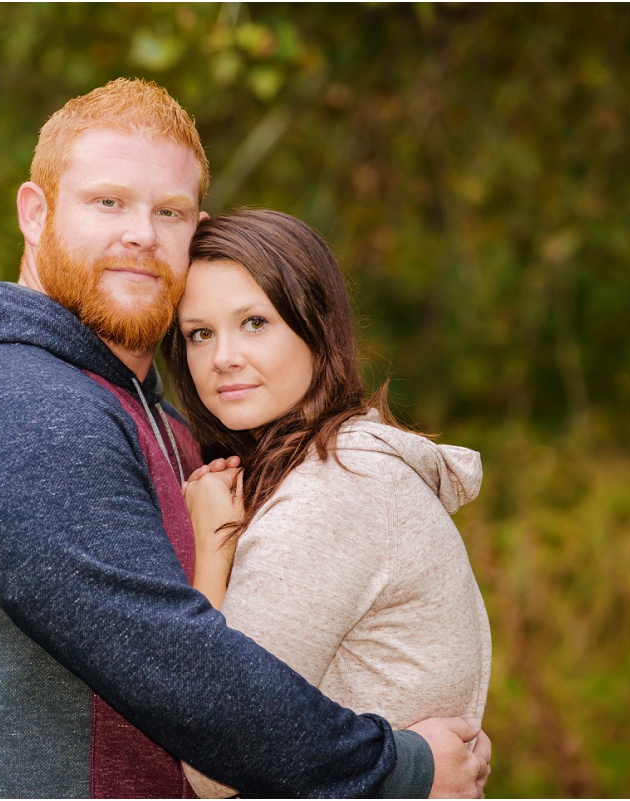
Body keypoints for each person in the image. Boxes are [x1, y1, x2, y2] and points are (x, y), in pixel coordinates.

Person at [0, 77, 491, 798]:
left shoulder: (161, 423)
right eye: (108, 201)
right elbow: (173, 658)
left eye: (168, 211)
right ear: (34, 213)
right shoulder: (8, 398)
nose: (140, 232)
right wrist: (397, 769)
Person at [163, 208, 493, 798]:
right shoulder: (346, 470)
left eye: (255, 322)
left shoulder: (332, 493)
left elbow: (214, 765)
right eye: (200, 333)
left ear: (316, 326)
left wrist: (210, 556)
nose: (223, 358)